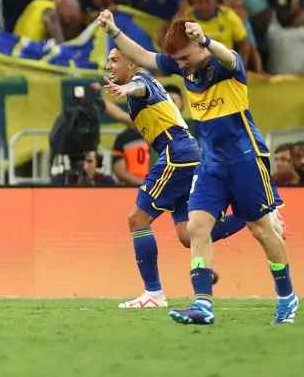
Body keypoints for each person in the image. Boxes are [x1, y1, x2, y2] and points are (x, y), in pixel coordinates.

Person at [98, 11, 296, 325]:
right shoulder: (180, 64)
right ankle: (202, 305)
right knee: (194, 230)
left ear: (200, 47)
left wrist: (205, 39)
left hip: (245, 158)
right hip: (209, 163)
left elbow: (228, 56)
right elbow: (145, 56)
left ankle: (287, 296)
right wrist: (114, 30)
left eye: (187, 57)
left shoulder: (225, 66)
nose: (182, 64)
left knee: (262, 231)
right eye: (177, 60)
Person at [101, 46, 247, 310]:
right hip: (188, 155)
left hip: (175, 154)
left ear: (132, 64)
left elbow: (139, 88)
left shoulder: (141, 81)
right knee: (188, 235)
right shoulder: (145, 83)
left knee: (137, 220)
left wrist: (127, 90)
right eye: (108, 60)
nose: (108, 65)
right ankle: (252, 213)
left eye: (114, 60)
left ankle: (153, 294)